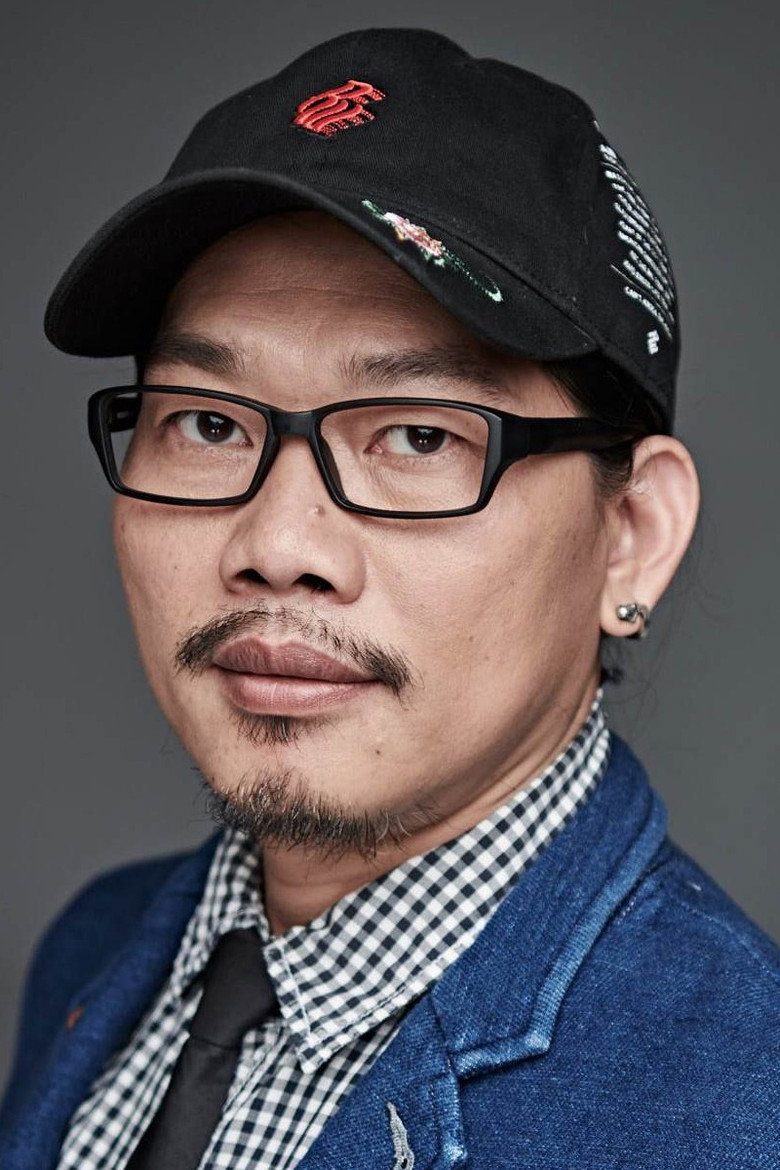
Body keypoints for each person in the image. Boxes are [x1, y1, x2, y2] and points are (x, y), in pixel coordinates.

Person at [1, 26, 777, 1170]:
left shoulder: (734, 1105)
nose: (278, 545)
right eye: (207, 423)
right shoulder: (97, 949)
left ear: (631, 536)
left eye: (418, 437)